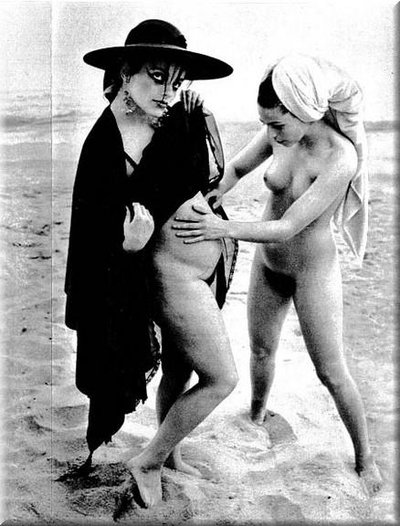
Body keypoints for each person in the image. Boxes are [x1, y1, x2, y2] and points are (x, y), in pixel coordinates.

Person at [172, 54, 382, 495]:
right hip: (269, 264)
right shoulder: (279, 131)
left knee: (331, 371)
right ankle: (256, 414)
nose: (271, 132)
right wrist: (213, 195)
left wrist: (221, 228)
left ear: (303, 110)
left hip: (312, 272)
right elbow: (236, 169)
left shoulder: (341, 157)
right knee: (261, 351)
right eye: (265, 123)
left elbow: (288, 226)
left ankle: (365, 456)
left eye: (277, 124)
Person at [64, 19, 238, 507]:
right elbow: (89, 241)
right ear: (125, 72)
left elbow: (204, 177)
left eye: (177, 81)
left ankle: (172, 453)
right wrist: (128, 245)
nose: (168, 92)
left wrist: (196, 114)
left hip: (202, 267)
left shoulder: (174, 115)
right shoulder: (104, 147)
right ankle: (151, 459)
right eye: (158, 77)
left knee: (181, 369)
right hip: (165, 276)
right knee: (221, 378)